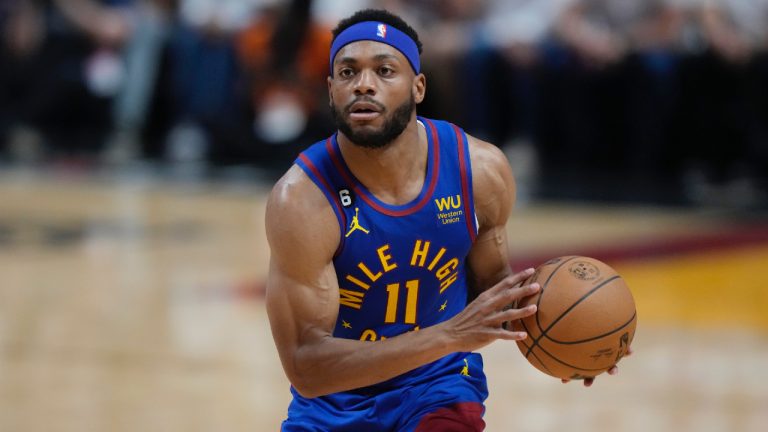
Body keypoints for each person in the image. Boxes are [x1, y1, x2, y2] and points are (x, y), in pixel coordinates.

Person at [265, 9, 627, 431]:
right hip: (334, 403)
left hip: (438, 385)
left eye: (384, 70)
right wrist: (451, 334)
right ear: (331, 90)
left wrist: (580, 336)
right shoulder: (302, 200)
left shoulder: (479, 170)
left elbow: (492, 287)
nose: (363, 84)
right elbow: (306, 368)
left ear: (418, 87)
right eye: (348, 72)